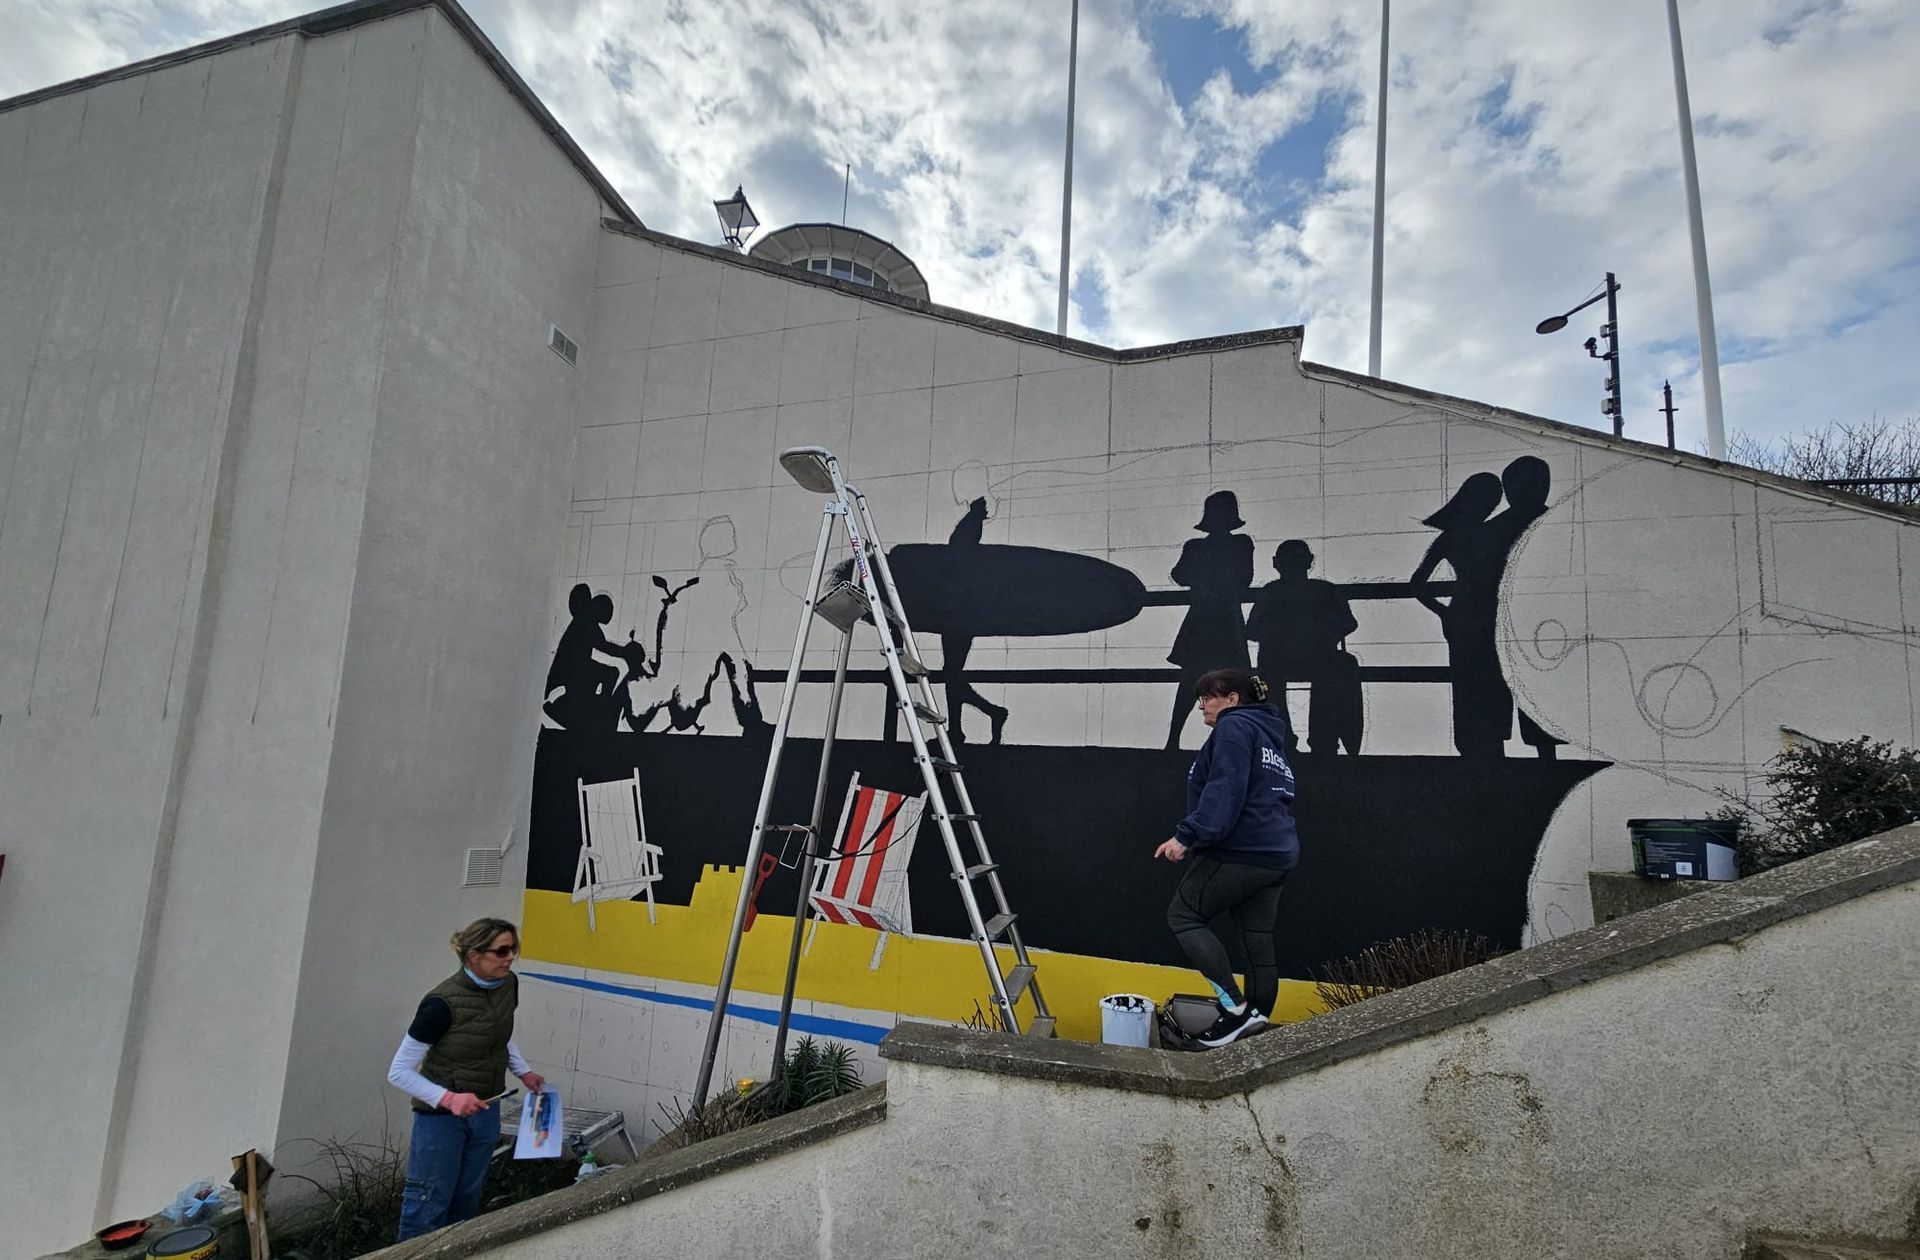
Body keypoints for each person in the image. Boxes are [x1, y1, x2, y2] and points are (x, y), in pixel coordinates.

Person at [1154, 668, 1299, 1047]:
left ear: (1233, 700)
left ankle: (1233, 1007)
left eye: (1209, 696)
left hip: (1241, 850)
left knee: (1183, 916)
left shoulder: (1233, 728)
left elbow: (1225, 789)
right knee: (1256, 936)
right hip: (1277, 854)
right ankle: (1256, 1018)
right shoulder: (1266, 734)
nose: (1202, 704)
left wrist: (1186, 836)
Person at [388, 918, 546, 1241]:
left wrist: (524, 1072)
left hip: (486, 1110)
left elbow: (496, 1037)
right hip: (441, 1120)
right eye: (501, 951)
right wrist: (449, 1099)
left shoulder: (508, 985)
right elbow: (399, 1071)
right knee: (429, 1202)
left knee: (467, 1199)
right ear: (474, 955)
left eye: (514, 949)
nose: (510, 957)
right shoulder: (441, 1005)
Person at [1245, 539, 1362, 756]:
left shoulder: (1270, 592)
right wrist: (1325, 636)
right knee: (1340, 666)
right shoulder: (1325, 590)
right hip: (1319, 655)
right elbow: (1349, 623)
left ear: (1275, 564)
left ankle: (1281, 739)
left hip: (1278, 658)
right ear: (1309, 562)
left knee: (1261, 680)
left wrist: (1276, 636)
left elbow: (1251, 630)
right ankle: (1324, 739)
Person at [1165, 490, 1254, 749]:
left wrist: (1204, 580)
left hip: (1203, 619)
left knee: (1191, 680)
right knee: (1224, 681)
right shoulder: (1241, 544)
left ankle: (1173, 740)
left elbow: (1181, 575)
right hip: (1224, 620)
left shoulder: (1197, 547)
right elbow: (1244, 578)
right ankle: (1229, 741)